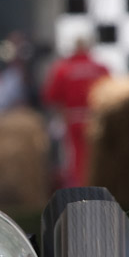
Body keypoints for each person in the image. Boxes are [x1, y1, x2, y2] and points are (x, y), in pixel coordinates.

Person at [42, 37, 110, 189]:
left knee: (74, 158)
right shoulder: (100, 68)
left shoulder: (63, 69)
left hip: (72, 120)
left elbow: (50, 97)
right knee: (95, 156)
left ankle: (78, 189)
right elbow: (110, 93)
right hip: (95, 120)